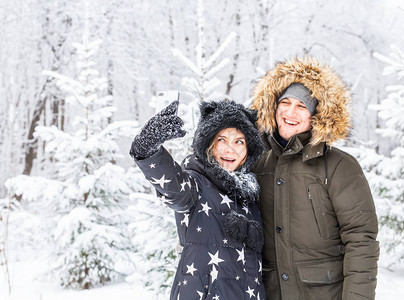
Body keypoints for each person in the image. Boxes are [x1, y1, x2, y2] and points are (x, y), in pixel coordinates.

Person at [250, 57, 379, 300]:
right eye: (285, 103)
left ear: (316, 115)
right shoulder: (258, 162)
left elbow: (361, 241)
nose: (290, 112)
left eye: (301, 106)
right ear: (273, 107)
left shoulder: (341, 166)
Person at [129, 99, 266, 300]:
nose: (231, 149)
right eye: (222, 140)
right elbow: (174, 188)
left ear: (248, 150)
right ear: (209, 143)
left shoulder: (250, 196)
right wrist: (147, 149)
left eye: (239, 141)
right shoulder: (196, 184)